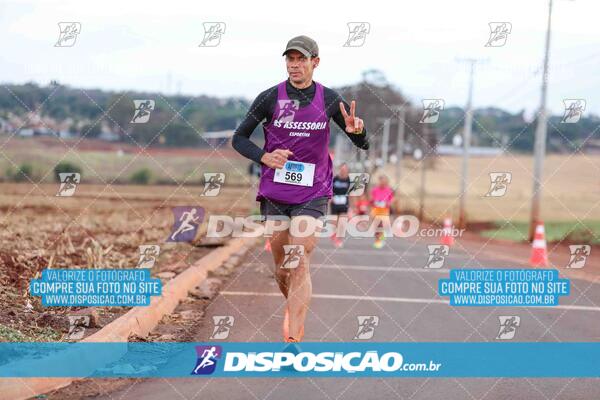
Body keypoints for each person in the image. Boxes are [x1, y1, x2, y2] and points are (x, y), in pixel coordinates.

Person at [232, 35, 369, 342]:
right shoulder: (269, 97)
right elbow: (239, 138)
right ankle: (293, 304)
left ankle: (293, 336)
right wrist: (264, 156)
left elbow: (361, 141)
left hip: (314, 189)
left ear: (315, 63)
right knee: (283, 267)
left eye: (301, 60)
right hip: (275, 190)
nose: (294, 65)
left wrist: (358, 133)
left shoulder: (330, 99)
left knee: (300, 255)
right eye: (290, 59)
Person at [369, 175, 394, 249]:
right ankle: (379, 236)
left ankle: (378, 240)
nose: (382, 183)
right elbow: (371, 199)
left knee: (381, 225)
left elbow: (392, 200)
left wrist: (388, 203)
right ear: (379, 182)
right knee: (376, 226)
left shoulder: (389, 190)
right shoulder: (375, 190)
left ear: (386, 182)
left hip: (384, 211)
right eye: (381, 181)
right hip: (376, 210)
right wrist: (373, 201)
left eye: (384, 182)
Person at [329, 163, 351, 247]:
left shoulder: (349, 181)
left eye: (345, 169)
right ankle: (334, 234)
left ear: (347, 171)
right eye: (342, 169)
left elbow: (352, 194)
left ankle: (339, 239)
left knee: (342, 222)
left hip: (344, 203)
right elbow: (330, 189)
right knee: (334, 222)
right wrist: (330, 198)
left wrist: (352, 207)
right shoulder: (335, 179)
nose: (343, 171)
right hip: (335, 203)